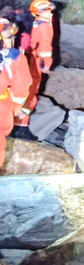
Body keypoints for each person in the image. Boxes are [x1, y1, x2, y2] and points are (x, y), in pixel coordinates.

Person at [14, 0, 54, 128]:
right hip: (37, 61)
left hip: (32, 58)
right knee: (31, 92)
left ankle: (18, 121)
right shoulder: (45, 27)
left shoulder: (37, 23)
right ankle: (21, 124)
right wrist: (47, 63)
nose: (50, 12)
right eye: (47, 10)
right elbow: (45, 46)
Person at [0, 18, 32, 167]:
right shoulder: (14, 58)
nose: (12, 41)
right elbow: (21, 85)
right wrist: (18, 110)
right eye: (9, 37)